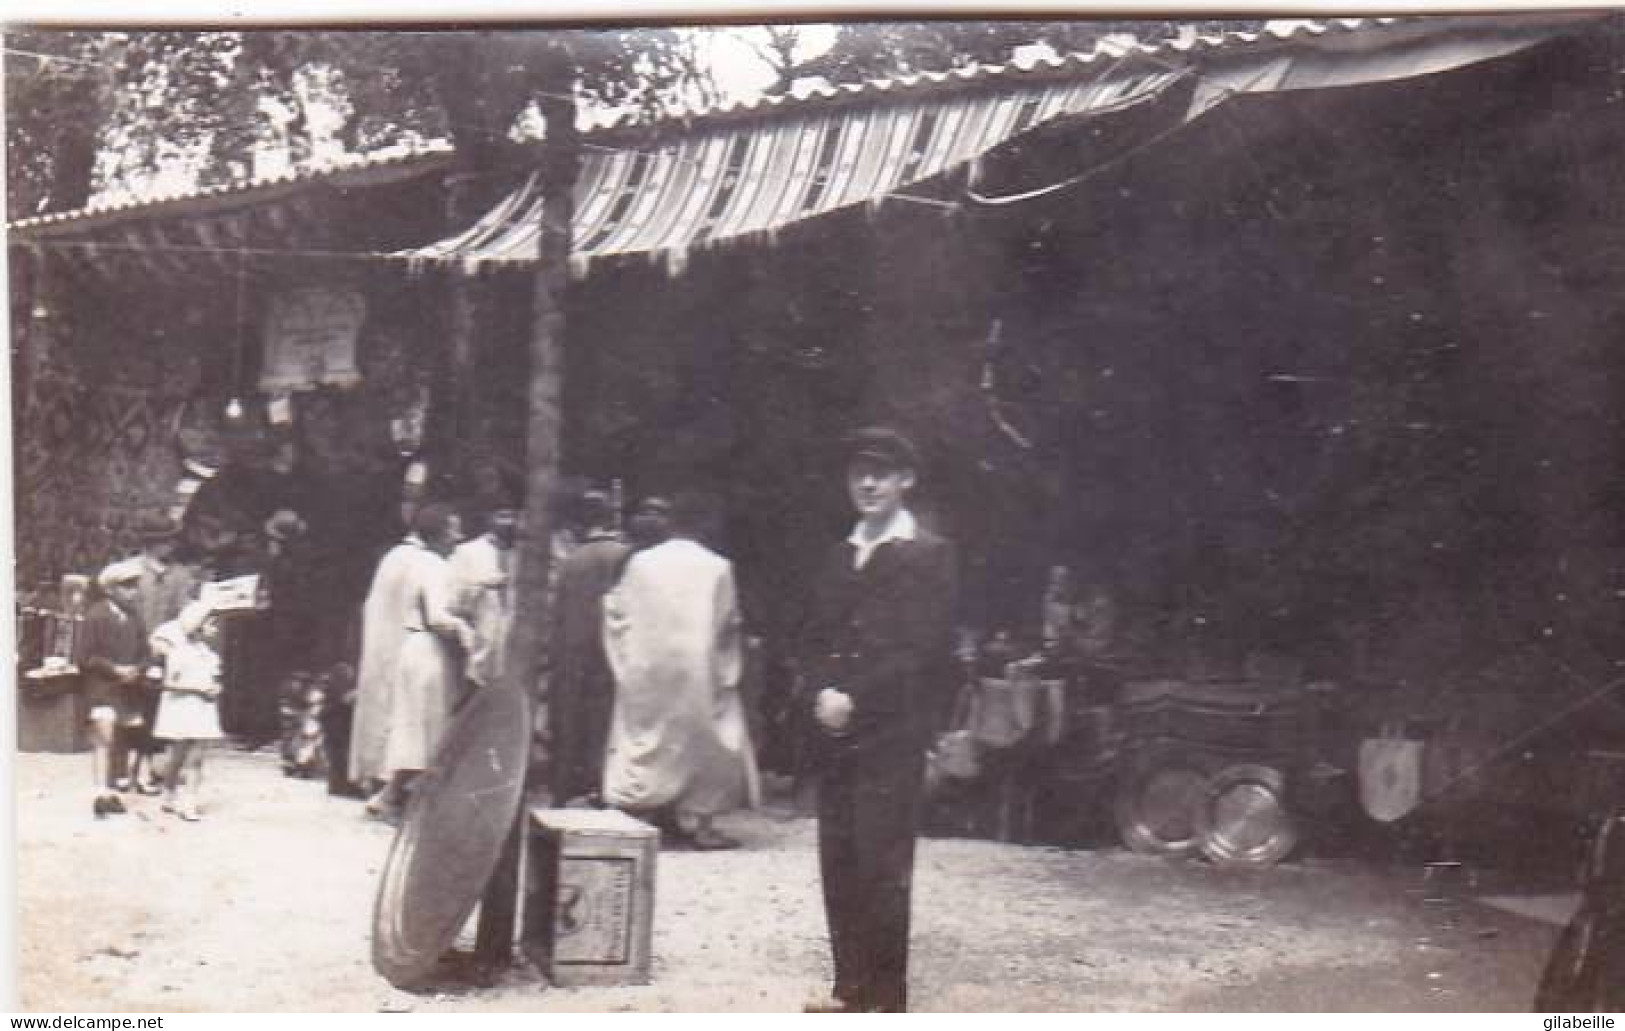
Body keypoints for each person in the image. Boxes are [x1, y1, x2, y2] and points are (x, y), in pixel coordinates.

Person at [798, 426, 958, 1012]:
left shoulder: (928, 555)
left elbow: (920, 652)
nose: (867, 483)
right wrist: (818, 692)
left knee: (882, 866)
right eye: (858, 472)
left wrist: (853, 697)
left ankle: (885, 1003)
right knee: (838, 860)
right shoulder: (839, 553)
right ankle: (848, 990)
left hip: (890, 735)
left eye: (881, 473)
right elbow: (813, 637)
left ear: (905, 481)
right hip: (835, 733)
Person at [601, 491, 758, 848]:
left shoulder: (641, 562)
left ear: (670, 523)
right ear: (704, 526)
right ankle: (702, 824)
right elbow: (727, 623)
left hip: (648, 665)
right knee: (707, 740)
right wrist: (727, 670)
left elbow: (616, 611)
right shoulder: (718, 566)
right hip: (696, 667)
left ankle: (640, 814)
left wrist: (626, 657)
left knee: (647, 737)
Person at [348, 503, 475, 820]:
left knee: (415, 726)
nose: (459, 538)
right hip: (429, 650)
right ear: (442, 533)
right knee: (424, 728)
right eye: (454, 530)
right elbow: (437, 616)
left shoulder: (410, 560)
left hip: (412, 648)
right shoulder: (433, 565)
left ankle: (394, 794)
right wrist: (464, 630)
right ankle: (392, 796)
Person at [547, 491, 629, 807]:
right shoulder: (624, 555)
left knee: (570, 717)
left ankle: (565, 787)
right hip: (611, 647)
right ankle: (603, 785)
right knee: (606, 718)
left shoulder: (571, 561)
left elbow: (558, 612)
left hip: (572, 648)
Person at [77, 560, 150, 818]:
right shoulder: (96, 615)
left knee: (123, 740)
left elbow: (145, 651)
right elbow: (85, 656)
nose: (133, 591)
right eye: (127, 586)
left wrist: (137, 669)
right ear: (111, 589)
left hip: (128, 689)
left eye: (135, 585)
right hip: (103, 688)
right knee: (104, 737)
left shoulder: (135, 617)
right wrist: (114, 669)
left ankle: (114, 792)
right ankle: (99, 793)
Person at [151, 601, 225, 821]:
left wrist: (216, 688)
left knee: (197, 758)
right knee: (178, 756)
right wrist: (196, 689)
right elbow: (168, 684)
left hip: (202, 709)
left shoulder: (211, 655)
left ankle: (189, 802)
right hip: (182, 708)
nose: (216, 628)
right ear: (198, 625)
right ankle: (168, 794)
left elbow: (214, 680)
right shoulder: (179, 652)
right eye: (212, 623)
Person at [448, 501, 519, 698]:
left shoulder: (523, 556)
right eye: (503, 516)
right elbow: (453, 602)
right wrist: (481, 585)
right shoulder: (468, 552)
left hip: (511, 660)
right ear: (489, 518)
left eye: (514, 517)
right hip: (475, 658)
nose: (509, 523)